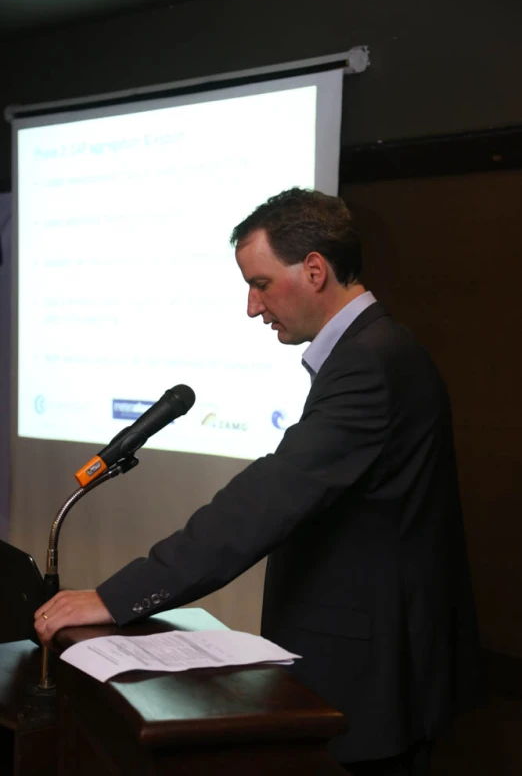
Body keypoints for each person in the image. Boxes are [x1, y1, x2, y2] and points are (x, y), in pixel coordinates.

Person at [35, 187, 481, 775]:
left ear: (316, 270)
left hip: (374, 684)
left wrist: (114, 597)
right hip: (368, 669)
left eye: (261, 283)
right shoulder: (372, 351)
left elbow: (268, 499)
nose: (251, 306)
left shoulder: (371, 363)